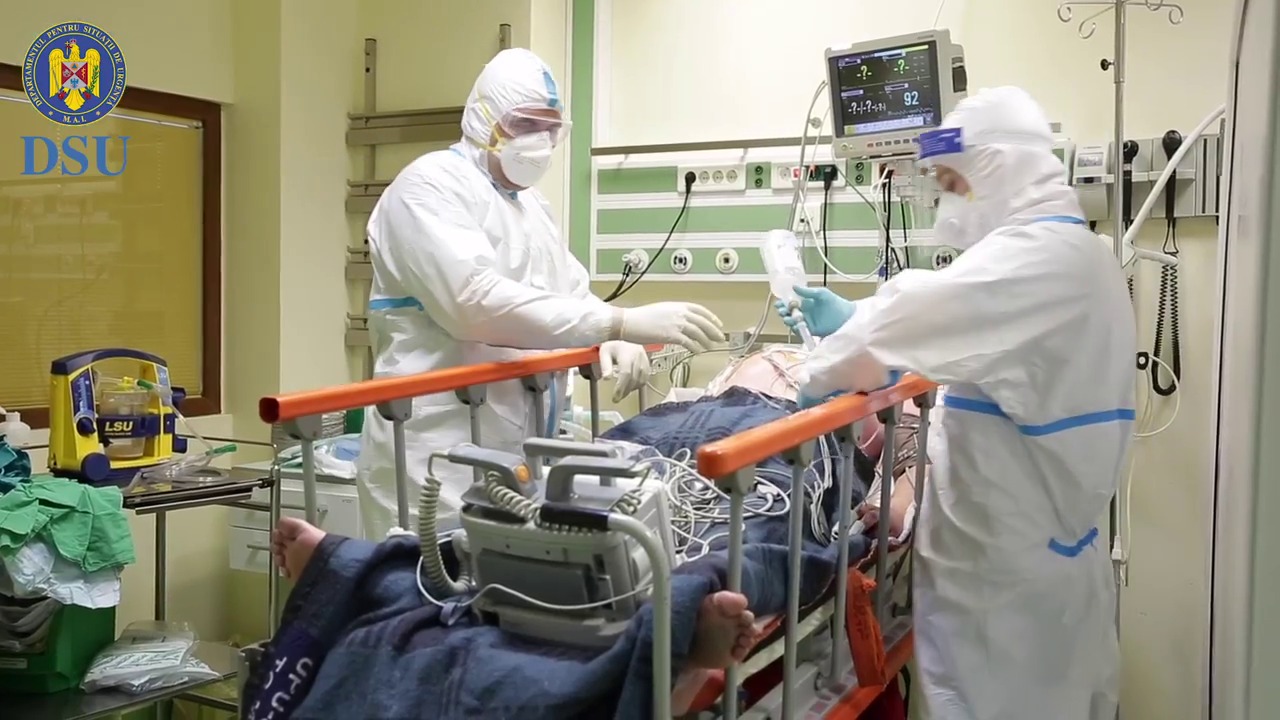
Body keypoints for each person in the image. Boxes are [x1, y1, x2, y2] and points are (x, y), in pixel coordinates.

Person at [779, 87, 1131, 719]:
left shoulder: (1036, 261)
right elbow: (953, 325)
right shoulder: (1079, 255)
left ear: (994, 167)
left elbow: (918, 313)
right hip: (1040, 558)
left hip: (1005, 582)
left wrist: (812, 375)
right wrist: (854, 317)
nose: (948, 203)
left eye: (951, 182)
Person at [359, 48, 726, 539]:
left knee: (507, 579)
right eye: (525, 124)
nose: (540, 140)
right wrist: (617, 323)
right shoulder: (429, 186)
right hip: (435, 451)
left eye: (551, 128)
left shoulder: (532, 208)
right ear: (482, 119)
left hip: (517, 451)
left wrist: (611, 334)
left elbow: (570, 293)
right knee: (430, 578)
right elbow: (473, 303)